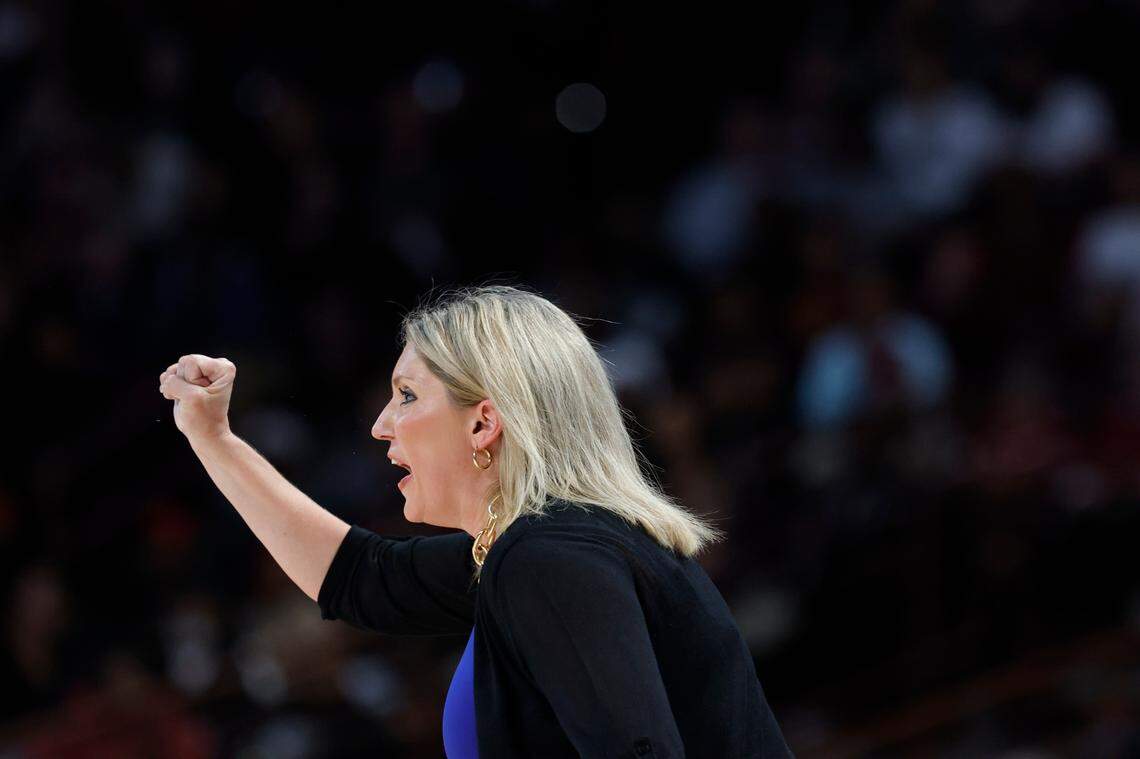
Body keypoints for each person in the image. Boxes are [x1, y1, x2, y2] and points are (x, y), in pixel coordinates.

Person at [157, 284, 795, 758]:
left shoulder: (551, 559)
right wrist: (214, 438)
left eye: (407, 395)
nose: (381, 424)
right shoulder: (544, 547)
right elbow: (361, 579)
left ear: (483, 423)